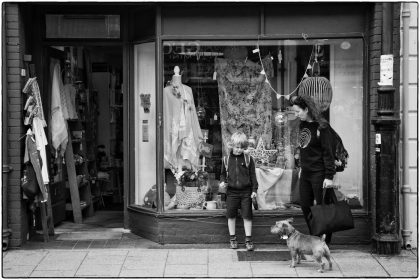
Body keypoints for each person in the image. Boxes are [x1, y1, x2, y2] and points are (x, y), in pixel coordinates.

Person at [291, 95, 336, 245]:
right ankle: (315, 237)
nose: (296, 115)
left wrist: (329, 176)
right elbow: (304, 148)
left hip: (319, 173)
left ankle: (325, 242)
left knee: (322, 209)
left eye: (298, 111)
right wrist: (302, 166)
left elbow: (328, 153)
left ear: (307, 109)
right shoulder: (302, 125)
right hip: (306, 173)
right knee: (305, 206)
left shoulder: (322, 127)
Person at [219, 132, 258, 251]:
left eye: (242, 147)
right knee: (231, 215)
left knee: (247, 216)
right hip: (231, 192)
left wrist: (254, 190)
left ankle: (248, 239)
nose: (239, 150)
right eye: (237, 147)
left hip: (246, 192)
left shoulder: (248, 159)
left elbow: (253, 176)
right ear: (231, 145)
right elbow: (222, 174)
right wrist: (222, 182)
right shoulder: (226, 159)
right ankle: (232, 238)